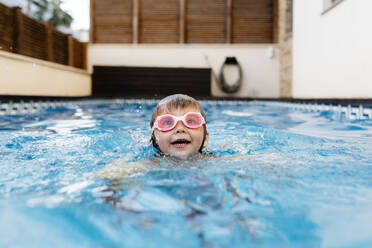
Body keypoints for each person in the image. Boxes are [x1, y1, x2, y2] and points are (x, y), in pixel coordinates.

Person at [150, 94, 209, 159]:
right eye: (168, 122)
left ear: (205, 138)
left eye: (190, 121)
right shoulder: (145, 166)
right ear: (154, 140)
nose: (180, 129)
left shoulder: (216, 161)